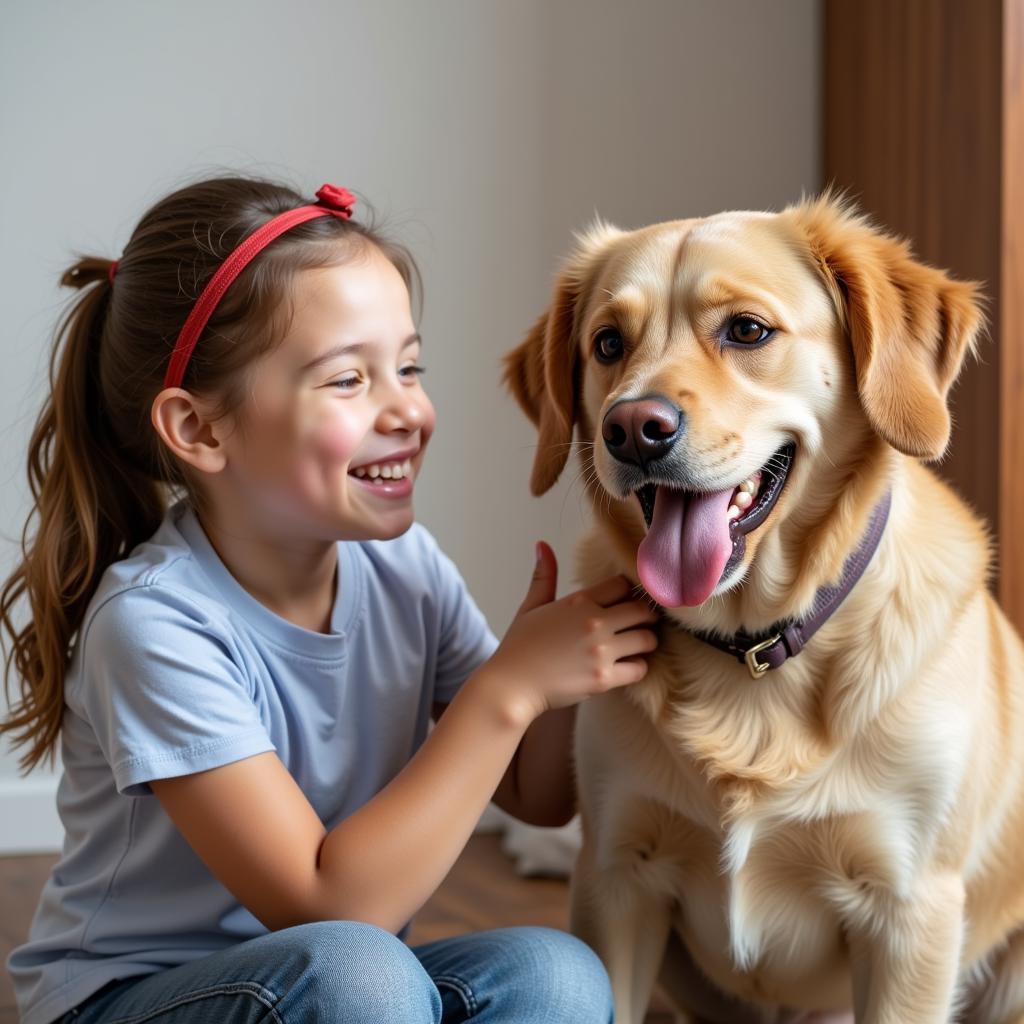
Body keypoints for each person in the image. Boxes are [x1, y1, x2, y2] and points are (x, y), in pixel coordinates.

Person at [0, 176, 659, 1024]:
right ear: (200, 430)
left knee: (555, 972)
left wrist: (560, 665)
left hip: (335, 978)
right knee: (361, 973)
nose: (409, 410)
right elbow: (326, 905)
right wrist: (511, 688)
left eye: (410, 367)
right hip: (133, 999)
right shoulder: (153, 624)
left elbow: (538, 797)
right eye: (349, 380)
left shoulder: (404, 568)